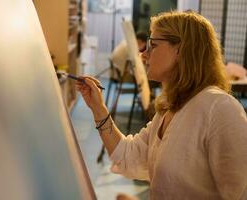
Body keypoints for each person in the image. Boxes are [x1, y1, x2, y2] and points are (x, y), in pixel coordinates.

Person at [76, 11, 247, 200]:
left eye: (153, 45)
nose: (144, 54)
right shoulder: (170, 110)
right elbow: (128, 156)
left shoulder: (220, 109)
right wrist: (98, 108)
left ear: (181, 50)